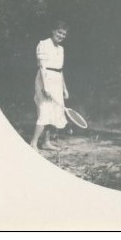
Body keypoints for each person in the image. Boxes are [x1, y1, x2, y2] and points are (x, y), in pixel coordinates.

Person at [30, 21, 69, 151]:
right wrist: (45, 87)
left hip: (57, 81)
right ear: (53, 31)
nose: (61, 36)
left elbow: (60, 69)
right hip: (44, 78)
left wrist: (64, 88)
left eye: (64, 34)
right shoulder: (43, 44)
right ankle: (33, 143)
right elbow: (42, 67)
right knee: (45, 110)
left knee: (55, 112)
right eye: (59, 32)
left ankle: (46, 142)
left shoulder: (61, 49)